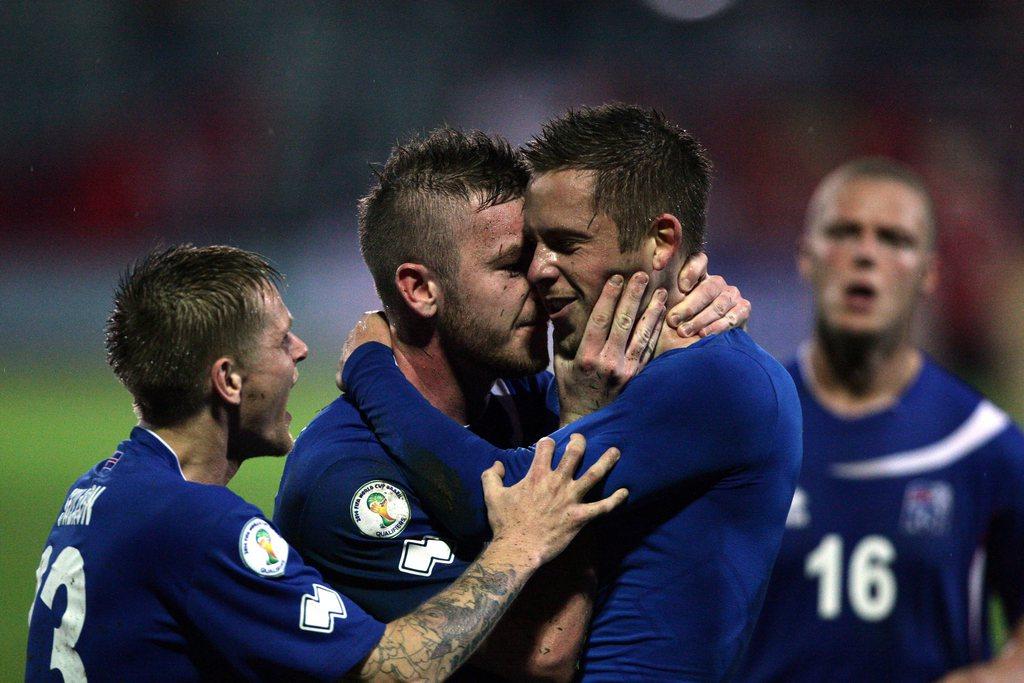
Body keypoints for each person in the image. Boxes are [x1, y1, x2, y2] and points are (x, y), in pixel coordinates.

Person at [337, 104, 802, 680]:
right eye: (532, 247)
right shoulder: (628, 374)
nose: (539, 269)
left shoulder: (714, 381)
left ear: (661, 242)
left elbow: (498, 495)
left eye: (565, 243)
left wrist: (368, 367)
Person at [24, 244, 628, 682]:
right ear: (229, 380)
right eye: (281, 341)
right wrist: (518, 546)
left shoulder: (98, 494)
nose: (301, 351)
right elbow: (396, 670)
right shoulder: (199, 523)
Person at [738, 158, 1024, 682]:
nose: (865, 254)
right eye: (844, 233)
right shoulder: (746, 431)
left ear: (930, 273)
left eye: (894, 239)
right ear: (806, 256)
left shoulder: (985, 446)